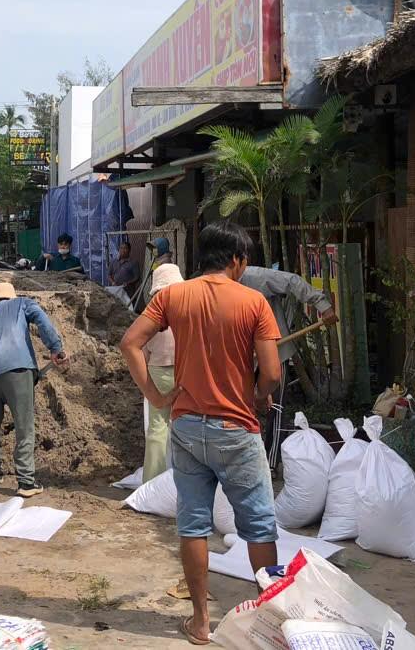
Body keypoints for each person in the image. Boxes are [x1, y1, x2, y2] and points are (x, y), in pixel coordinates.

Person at [120, 221, 282, 647]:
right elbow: (272, 373)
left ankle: (200, 622)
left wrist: (157, 396)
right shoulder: (253, 302)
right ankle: (269, 619)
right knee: (259, 526)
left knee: (193, 524)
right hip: (236, 428)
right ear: (236, 260)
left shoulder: (173, 296)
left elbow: (130, 343)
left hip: (188, 426)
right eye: (245, 260)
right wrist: (258, 396)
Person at [0, 280, 68, 498]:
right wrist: (55, 348)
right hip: (17, 368)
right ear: (11, 296)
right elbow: (41, 319)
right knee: (24, 424)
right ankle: (26, 482)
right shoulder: (22, 303)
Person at [141, 262, 182, 480]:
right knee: (185, 425)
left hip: (157, 371)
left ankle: (152, 482)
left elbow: (141, 350)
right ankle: (183, 479)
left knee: (157, 427)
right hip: (185, 373)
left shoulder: (151, 312)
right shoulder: (187, 309)